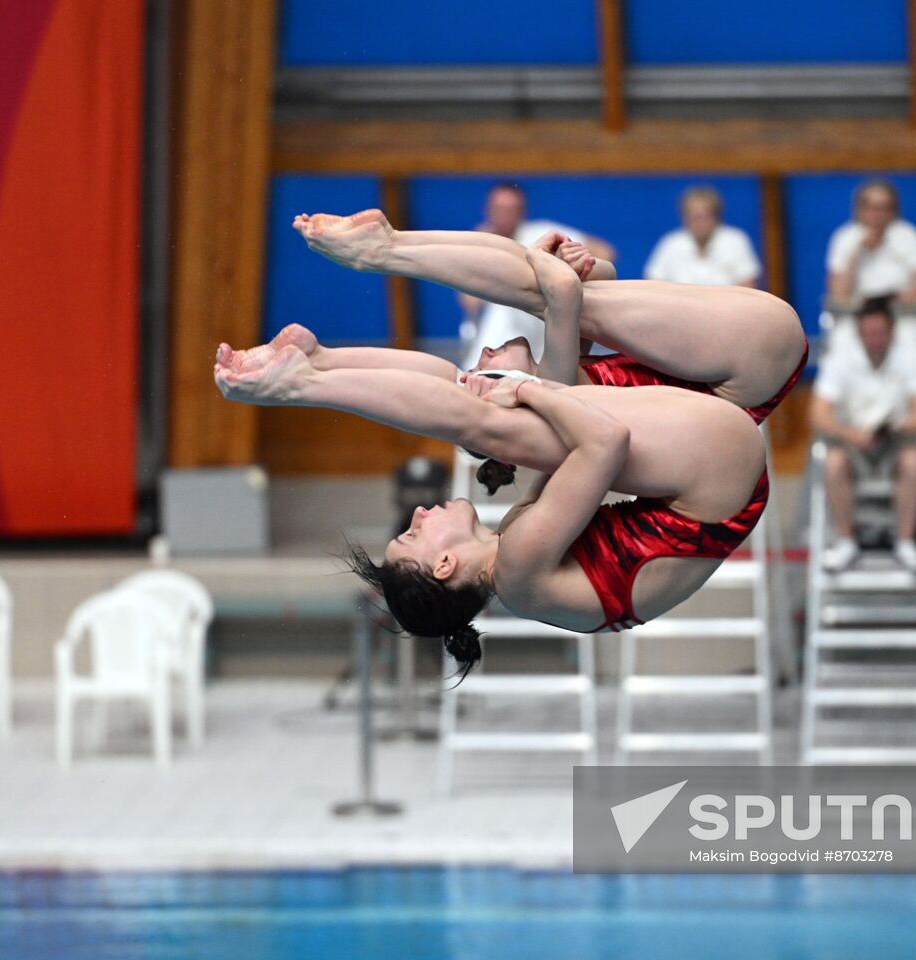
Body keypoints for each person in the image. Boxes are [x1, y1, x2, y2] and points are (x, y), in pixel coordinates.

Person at [215, 210, 806, 676]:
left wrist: (549, 351)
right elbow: (603, 443)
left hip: (727, 409)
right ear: (445, 565)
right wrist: (530, 387)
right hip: (715, 470)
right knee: (492, 408)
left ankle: (333, 342)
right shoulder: (520, 567)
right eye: (414, 534)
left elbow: (585, 440)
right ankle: (307, 378)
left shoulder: (523, 551)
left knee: (514, 356)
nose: (418, 514)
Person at [808, 296, 916, 573]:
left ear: (892, 332)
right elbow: (818, 414)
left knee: (913, 461)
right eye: (868, 333)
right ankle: (846, 541)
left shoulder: (912, 357)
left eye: (879, 333)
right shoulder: (840, 359)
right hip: (852, 441)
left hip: (896, 439)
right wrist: (850, 433)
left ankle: (905, 542)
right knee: (832, 462)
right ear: (858, 333)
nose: (874, 339)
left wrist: (902, 426)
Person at [458, 182, 615, 369]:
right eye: (499, 209)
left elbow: (605, 252)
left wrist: (562, 267)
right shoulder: (480, 243)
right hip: (493, 343)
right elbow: (470, 303)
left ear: (522, 212)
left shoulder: (540, 234)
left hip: (539, 344)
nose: (505, 216)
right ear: (488, 210)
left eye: (511, 210)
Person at [825, 178, 916, 306]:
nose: (877, 214)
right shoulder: (844, 237)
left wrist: (888, 306)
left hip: (902, 314)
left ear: (893, 210)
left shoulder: (907, 235)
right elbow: (838, 294)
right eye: (871, 207)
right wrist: (858, 249)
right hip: (854, 315)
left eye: (884, 208)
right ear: (859, 208)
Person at [644, 185, 761, 288]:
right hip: (679, 310)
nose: (699, 223)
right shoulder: (671, 243)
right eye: (693, 217)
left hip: (725, 310)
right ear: (684, 217)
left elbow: (748, 286)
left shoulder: (735, 240)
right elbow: (652, 285)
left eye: (703, 216)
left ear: (716, 216)